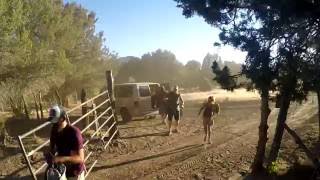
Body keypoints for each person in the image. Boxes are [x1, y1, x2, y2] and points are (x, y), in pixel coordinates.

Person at [46, 105, 85, 180]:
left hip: (75, 172)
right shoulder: (54, 131)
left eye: (55, 120)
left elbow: (80, 158)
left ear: (62, 118)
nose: (53, 123)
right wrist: (50, 155)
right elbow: (52, 148)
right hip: (62, 170)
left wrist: (62, 158)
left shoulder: (74, 133)